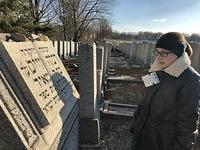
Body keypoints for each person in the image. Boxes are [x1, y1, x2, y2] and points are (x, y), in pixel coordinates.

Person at [130, 32, 200, 150]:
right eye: (157, 52)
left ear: (179, 54)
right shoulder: (155, 70)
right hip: (142, 135)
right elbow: (144, 101)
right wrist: (135, 123)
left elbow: (188, 123)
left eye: (164, 53)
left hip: (164, 142)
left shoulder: (191, 79)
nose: (159, 57)